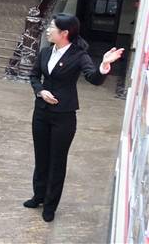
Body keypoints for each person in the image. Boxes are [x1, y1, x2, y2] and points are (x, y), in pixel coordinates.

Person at [24, 13, 124, 222]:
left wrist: (104, 65)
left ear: (64, 33)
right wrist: (40, 91)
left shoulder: (79, 55)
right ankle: (38, 195)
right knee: (41, 157)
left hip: (63, 117)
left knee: (57, 161)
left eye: (52, 27)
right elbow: (34, 76)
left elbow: (93, 78)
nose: (48, 30)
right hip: (41, 113)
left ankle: (50, 205)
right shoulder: (45, 52)